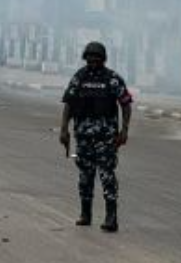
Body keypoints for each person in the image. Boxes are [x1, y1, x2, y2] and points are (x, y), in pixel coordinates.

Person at [59, 41, 133, 232]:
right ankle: (85, 213)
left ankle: (111, 217)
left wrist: (124, 130)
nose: (93, 62)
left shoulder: (112, 79)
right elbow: (69, 103)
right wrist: (63, 129)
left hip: (106, 138)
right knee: (85, 176)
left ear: (103, 59)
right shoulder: (79, 77)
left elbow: (126, 104)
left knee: (107, 175)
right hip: (83, 137)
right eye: (90, 58)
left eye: (96, 58)